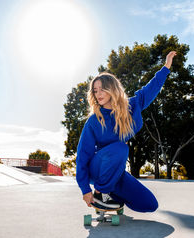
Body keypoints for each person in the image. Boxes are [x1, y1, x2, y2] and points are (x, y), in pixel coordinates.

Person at [76, 51, 177, 212]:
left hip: (115, 171)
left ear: (112, 89)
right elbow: (82, 156)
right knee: (121, 148)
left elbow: (149, 90)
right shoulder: (94, 121)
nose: (98, 94)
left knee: (149, 204)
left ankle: (111, 196)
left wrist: (166, 67)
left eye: (102, 89)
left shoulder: (129, 107)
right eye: (95, 91)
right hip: (97, 170)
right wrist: (85, 189)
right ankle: (100, 194)